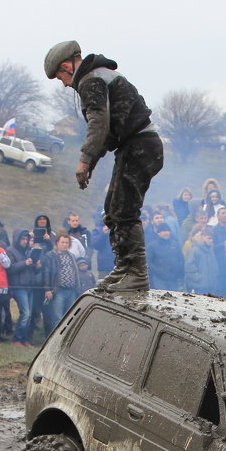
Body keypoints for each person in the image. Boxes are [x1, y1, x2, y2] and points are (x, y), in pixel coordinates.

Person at [44, 40, 164, 292]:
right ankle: (124, 269)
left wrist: (84, 160)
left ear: (67, 66)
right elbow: (108, 131)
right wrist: (92, 163)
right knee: (112, 209)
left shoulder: (90, 80)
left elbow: (99, 123)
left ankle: (136, 274)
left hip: (140, 145)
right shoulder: (100, 75)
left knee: (123, 210)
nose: (65, 84)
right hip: (139, 145)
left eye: (61, 78)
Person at [6, 229, 41, 347]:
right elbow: (9, 268)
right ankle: (17, 339)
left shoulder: (28, 251)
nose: (25, 241)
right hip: (18, 286)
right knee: (25, 313)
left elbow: (33, 271)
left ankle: (24, 339)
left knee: (28, 314)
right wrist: (24, 263)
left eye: (26, 239)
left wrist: (37, 266)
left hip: (29, 285)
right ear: (17, 239)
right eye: (22, 239)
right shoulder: (10, 251)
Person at [41, 234, 81, 333]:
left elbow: (76, 273)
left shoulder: (71, 255)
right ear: (57, 243)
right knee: (57, 318)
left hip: (71, 290)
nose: (64, 244)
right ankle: (55, 341)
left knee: (70, 317)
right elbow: (46, 273)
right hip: (58, 290)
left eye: (67, 242)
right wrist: (47, 289)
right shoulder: (50, 255)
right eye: (62, 242)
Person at [146, 214, 185, 291]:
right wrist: (158, 272)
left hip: (174, 278)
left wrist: (180, 273)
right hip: (159, 279)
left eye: (167, 230)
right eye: (163, 231)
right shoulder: (152, 246)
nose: (166, 232)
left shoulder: (175, 244)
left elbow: (181, 259)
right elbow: (149, 263)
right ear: (158, 233)